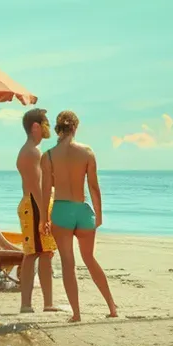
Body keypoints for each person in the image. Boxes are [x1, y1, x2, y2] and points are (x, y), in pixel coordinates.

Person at [39, 110, 118, 322]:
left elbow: (45, 190)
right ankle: (112, 306)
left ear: (59, 128)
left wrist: (43, 219)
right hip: (83, 211)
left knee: (68, 263)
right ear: (75, 127)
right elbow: (93, 186)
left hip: (62, 210)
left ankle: (76, 314)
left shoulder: (47, 156)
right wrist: (99, 214)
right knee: (89, 259)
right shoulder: (87, 152)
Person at [16, 108, 59, 313]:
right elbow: (35, 187)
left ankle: (42, 303)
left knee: (42, 253)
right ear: (36, 126)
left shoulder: (31, 150)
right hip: (34, 205)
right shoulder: (32, 152)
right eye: (45, 123)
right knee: (36, 253)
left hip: (34, 204)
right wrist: (44, 216)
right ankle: (32, 304)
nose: (47, 128)